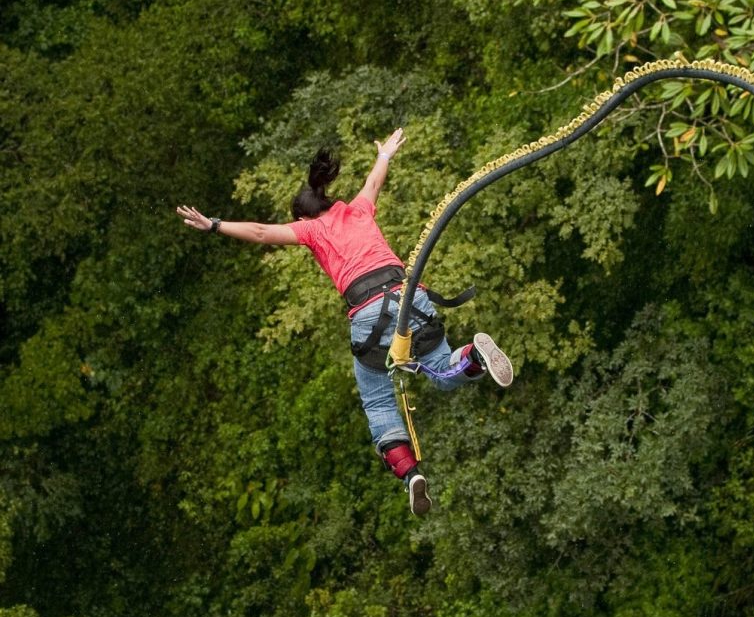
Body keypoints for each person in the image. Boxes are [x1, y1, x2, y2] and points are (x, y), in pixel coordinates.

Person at [176, 127, 513, 516]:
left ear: (303, 216)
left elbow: (261, 232)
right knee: (442, 367)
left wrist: (214, 224)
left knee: (377, 400)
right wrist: (385, 153)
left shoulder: (311, 228)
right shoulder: (357, 209)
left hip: (369, 313)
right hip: (410, 297)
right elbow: (373, 181)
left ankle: (411, 475)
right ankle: (474, 356)